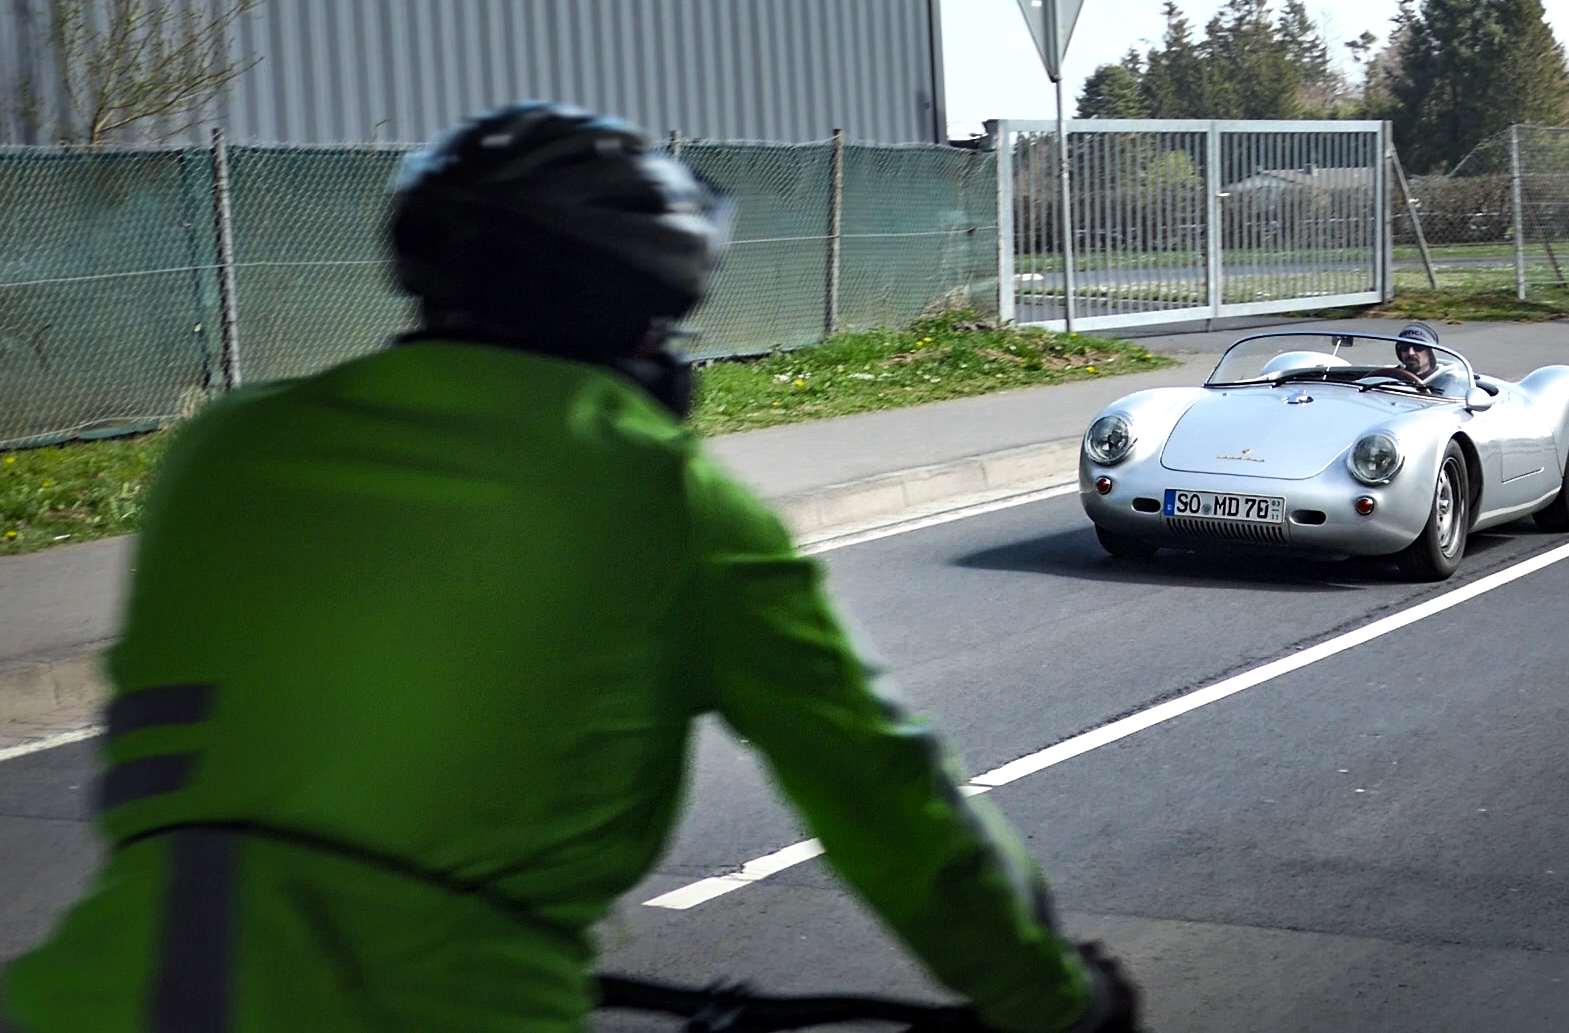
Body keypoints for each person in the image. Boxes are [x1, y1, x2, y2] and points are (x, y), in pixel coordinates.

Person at [0, 103, 1138, 1033]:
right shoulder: (664, 498)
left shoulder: (227, 448)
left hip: (93, 991)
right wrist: (1051, 998)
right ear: (642, 316)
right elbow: (887, 794)